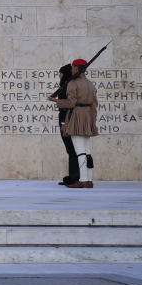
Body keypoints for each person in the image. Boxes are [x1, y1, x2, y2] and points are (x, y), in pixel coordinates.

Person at [49, 59, 98, 188]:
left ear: (76, 68)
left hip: (76, 115)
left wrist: (55, 101)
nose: (71, 69)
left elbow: (70, 103)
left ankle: (81, 180)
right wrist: (92, 120)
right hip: (87, 115)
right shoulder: (89, 84)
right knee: (87, 150)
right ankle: (89, 179)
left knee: (79, 150)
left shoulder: (72, 83)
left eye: (73, 67)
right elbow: (94, 105)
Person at [55, 64, 80, 187]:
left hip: (67, 119)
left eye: (60, 73)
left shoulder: (66, 86)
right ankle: (73, 176)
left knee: (72, 149)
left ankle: (74, 177)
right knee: (72, 149)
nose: (59, 75)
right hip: (71, 119)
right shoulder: (70, 84)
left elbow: (66, 106)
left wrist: (63, 123)